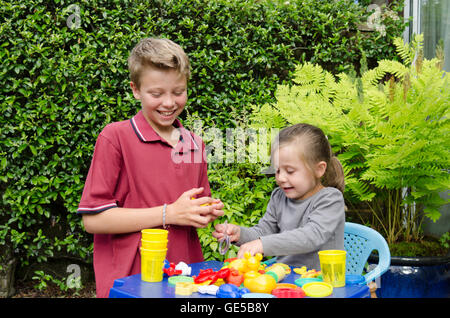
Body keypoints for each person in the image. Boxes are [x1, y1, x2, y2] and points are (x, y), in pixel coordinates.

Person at [77, 38, 224, 298]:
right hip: (130, 282)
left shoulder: (195, 144)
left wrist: (204, 212)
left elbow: (191, 211)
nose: (169, 103)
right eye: (156, 94)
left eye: (178, 92)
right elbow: (93, 219)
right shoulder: (115, 138)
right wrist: (169, 214)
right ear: (136, 90)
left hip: (184, 280)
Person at [213, 123, 345, 269]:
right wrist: (240, 234)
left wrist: (263, 244)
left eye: (290, 171)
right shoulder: (279, 197)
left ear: (319, 169)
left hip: (323, 285)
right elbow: (264, 231)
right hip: (284, 280)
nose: (281, 178)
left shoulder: (330, 199)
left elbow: (311, 236)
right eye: (277, 171)